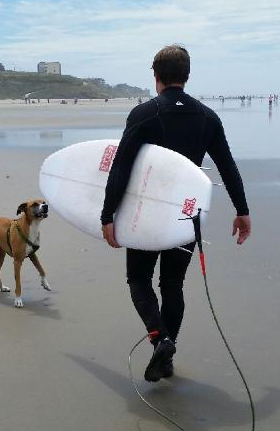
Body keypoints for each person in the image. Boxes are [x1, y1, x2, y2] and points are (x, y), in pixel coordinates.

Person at [101, 45, 251, 383]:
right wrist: (242, 211)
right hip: (186, 215)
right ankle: (166, 357)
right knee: (172, 283)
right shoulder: (208, 118)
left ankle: (160, 338)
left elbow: (120, 168)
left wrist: (107, 214)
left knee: (139, 279)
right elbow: (227, 167)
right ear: (187, 75)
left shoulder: (144, 114)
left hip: (146, 214)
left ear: (155, 76)